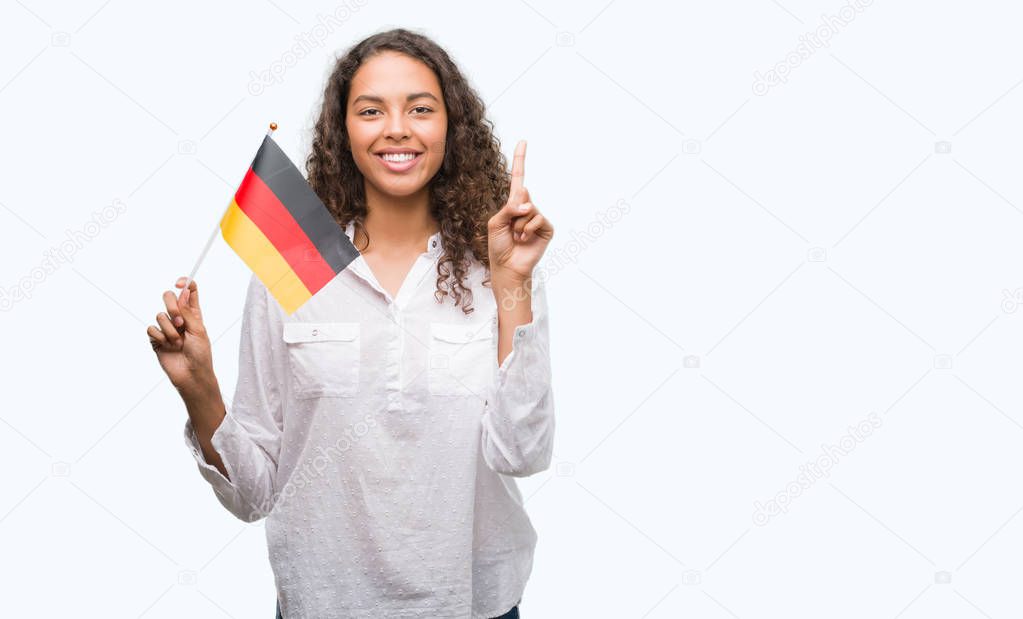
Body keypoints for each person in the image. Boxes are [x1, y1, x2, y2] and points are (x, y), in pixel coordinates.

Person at [146, 28, 555, 618]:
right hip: (321, 603)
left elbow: (523, 453)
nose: (397, 128)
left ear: (451, 127)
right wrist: (200, 388)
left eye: (420, 108)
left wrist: (512, 280)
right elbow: (254, 493)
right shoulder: (290, 265)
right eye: (371, 110)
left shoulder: (498, 263)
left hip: (473, 604)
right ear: (344, 132)